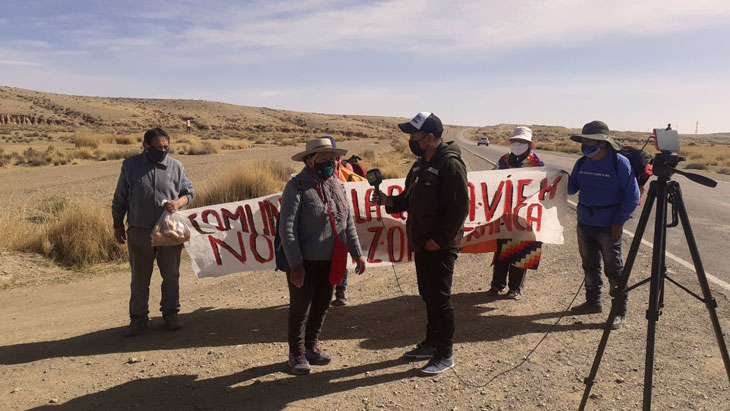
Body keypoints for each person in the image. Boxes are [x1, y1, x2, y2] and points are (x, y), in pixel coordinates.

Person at [372, 112, 469, 375]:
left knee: (440, 298)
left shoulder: (450, 164)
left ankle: (445, 354)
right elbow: (408, 199)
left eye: (414, 136)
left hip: (439, 246)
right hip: (422, 244)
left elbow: (459, 208)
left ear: (430, 137)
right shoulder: (418, 165)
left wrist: (439, 241)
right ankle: (430, 343)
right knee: (428, 296)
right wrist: (388, 201)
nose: (411, 140)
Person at [279, 137, 367, 375]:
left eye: (332, 158)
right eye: (323, 158)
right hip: (304, 261)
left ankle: (311, 347)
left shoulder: (337, 185)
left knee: (321, 305)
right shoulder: (297, 186)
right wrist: (295, 264)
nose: (330, 162)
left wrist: (357, 253)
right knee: (301, 308)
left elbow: (347, 222)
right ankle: (296, 353)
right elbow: (287, 228)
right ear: (309, 160)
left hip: (332, 259)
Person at [112, 127, 195, 337]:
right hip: (140, 231)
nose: (163, 150)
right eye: (158, 147)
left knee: (171, 275)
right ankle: (138, 319)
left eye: (166, 147)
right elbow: (120, 197)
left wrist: (178, 202)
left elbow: (189, 192)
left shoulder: (176, 166)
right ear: (146, 146)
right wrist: (117, 224)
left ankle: (171, 314)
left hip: (170, 231)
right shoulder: (131, 166)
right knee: (140, 277)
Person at [568, 120, 640, 330]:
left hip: (609, 226)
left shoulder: (619, 163)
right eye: (584, 139)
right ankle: (593, 302)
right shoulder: (582, 163)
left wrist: (619, 222)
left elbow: (632, 196)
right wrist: (552, 178)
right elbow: (571, 189)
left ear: (604, 143)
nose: (586, 143)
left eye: (591, 139)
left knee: (614, 270)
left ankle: (619, 312)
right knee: (589, 265)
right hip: (584, 222)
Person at [486, 126, 544, 300]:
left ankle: (515, 288)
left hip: (526, 214)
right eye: (516, 141)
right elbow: (492, 179)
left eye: (522, 141)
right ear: (511, 143)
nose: (518, 144)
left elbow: (543, 187)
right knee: (502, 249)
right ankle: (497, 284)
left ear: (529, 144)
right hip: (504, 213)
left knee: (521, 250)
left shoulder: (536, 164)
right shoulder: (503, 161)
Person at [322, 136, 367, 307]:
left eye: (333, 157)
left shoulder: (348, 176)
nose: (330, 161)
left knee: (341, 253)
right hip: (323, 228)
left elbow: (363, 189)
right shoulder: (304, 181)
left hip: (342, 224)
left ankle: (340, 290)